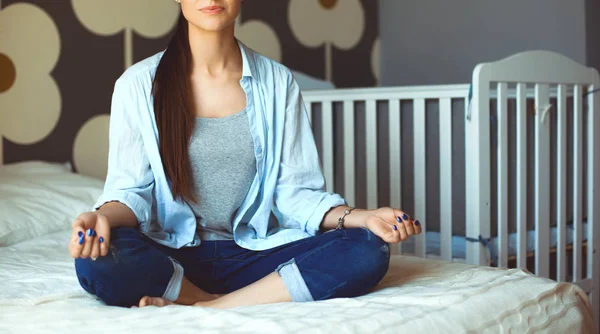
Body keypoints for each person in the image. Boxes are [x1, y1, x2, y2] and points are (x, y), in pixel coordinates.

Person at [69, 0, 422, 309]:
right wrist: (101, 217)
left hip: (255, 254)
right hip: (171, 254)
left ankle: (208, 306)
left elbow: (296, 195)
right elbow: (133, 192)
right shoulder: (138, 85)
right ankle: (197, 294)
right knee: (97, 259)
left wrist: (363, 217)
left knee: (367, 248)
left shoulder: (278, 83)